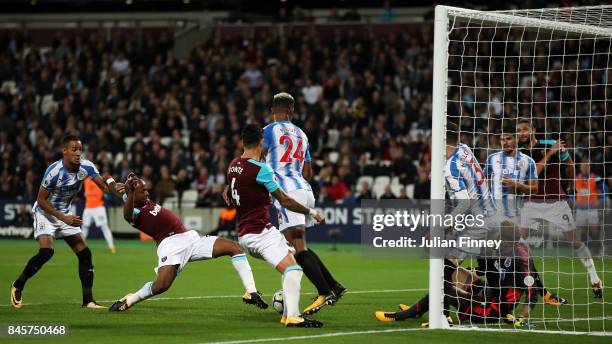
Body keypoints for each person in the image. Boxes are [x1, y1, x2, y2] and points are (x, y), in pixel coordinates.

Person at [107, 174, 268, 312]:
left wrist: (110, 181)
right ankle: (129, 300)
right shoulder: (132, 210)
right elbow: (127, 216)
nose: (147, 193)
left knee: (235, 248)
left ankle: (251, 291)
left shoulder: (136, 198)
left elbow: (110, 182)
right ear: (133, 195)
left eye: (146, 189)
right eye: (143, 191)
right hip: (170, 245)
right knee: (161, 285)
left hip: (190, 238)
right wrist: (127, 189)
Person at [225, 123, 326, 327]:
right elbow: (285, 200)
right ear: (261, 142)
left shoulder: (233, 165)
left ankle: (287, 313)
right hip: (260, 233)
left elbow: (231, 191)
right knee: (294, 270)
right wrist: (313, 212)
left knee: (292, 256)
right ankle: (292, 316)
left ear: (243, 142)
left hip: (244, 235)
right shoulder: (261, 169)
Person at [10, 135, 122, 309]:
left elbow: (106, 189)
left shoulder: (86, 167)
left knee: (85, 253)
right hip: (45, 212)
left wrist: (114, 185)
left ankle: (88, 301)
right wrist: (63, 218)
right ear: (64, 151)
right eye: (74, 149)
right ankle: (18, 285)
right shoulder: (54, 172)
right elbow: (41, 200)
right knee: (46, 252)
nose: (78, 153)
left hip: (64, 214)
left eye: (80, 149)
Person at [263, 92, 346, 316]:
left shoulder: (269, 131)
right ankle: (334, 286)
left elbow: (256, 158)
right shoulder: (302, 133)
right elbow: (308, 172)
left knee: (296, 248)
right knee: (299, 245)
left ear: (273, 110)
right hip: (305, 190)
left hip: (287, 192)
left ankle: (324, 291)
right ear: (291, 111)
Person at [517, 119, 602, 297]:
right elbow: (532, 173)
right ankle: (528, 284)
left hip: (556, 201)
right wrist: (550, 154)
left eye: (524, 129)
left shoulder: (549, 143)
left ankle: (595, 279)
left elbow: (569, 163)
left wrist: (571, 185)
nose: (521, 133)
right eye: (518, 131)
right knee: (518, 241)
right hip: (531, 202)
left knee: (574, 240)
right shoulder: (520, 153)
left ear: (532, 130)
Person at [574, 161, 606, 255]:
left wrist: (600, 201)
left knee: (594, 230)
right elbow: (571, 191)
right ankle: (584, 252)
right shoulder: (576, 178)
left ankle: (597, 250)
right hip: (580, 209)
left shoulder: (596, 178)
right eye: (583, 166)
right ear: (580, 168)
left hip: (592, 209)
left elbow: (605, 190)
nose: (584, 168)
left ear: (589, 167)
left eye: (586, 166)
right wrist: (573, 200)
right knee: (581, 231)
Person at [82, 177, 116, 253]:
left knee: (104, 227)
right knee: (84, 227)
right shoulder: (86, 180)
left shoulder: (100, 180)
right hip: (88, 208)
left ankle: (111, 246)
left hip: (98, 207)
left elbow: (107, 189)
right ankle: (81, 247)